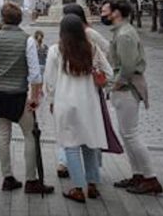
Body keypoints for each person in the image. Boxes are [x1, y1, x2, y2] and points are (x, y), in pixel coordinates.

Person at [0, 2, 54, 195]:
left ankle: (8, 178)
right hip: (18, 95)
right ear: (20, 19)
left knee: (4, 136)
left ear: (2, 19)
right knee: (29, 135)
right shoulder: (27, 40)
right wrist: (34, 97)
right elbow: (35, 74)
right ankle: (31, 180)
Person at [44, 14, 112, 203]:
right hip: (89, 103)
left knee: (70, 144)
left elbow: (49, 80)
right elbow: (109, 73)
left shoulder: (56, 50)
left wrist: (51, 101)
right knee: (90, 142)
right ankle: (92, 184)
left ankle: (78, 188)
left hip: (65, 102)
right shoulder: (92, 48)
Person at [101, 0, 163, 195]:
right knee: (127, 134)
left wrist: (116, 85)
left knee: (131, 134)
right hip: (124, 88)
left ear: (116, 12)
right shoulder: (122, 32)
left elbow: (127, 67)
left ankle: (150, 177)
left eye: (105, 11)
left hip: (127, 89)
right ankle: (138, 174)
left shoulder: (124, 35)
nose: (102, 14)